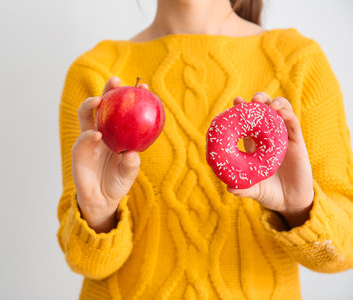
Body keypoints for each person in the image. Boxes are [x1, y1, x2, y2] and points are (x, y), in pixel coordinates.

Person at [57, 0, 353, 299]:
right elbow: (87, 263)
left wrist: (298, 207)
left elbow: (345, 250)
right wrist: (97, 212)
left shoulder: (298, 61)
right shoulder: (95, 73)